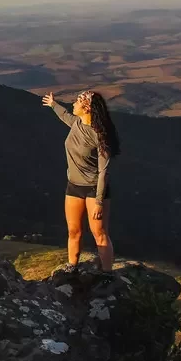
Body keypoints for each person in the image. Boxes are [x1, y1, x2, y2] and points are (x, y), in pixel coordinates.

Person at [42, 90, 120, 273]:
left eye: (78, 101)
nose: (74, 103)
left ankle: (108, 274)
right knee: (73, 231)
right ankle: (72, 267)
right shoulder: (77, 123)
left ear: (87, 108)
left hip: (94, 189)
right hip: (74, 186)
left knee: (99, 234)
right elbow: (65, 116)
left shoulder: (100, 135)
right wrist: (53, 104)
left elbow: (103, 171)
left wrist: (99, 201)